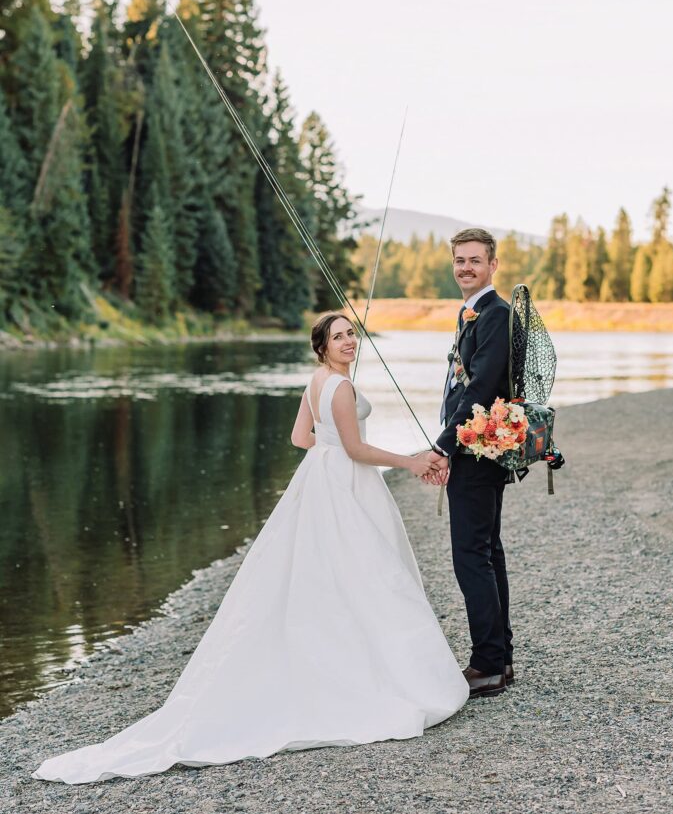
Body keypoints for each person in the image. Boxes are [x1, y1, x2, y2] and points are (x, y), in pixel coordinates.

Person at [33, 313, 468, 784]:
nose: (348, 343)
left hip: (322, 482)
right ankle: (377, 674)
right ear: (321, 346)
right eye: (338, 337)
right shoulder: (339, 387)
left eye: (351, 335)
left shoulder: (316, 382)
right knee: (367, 573)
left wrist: (328, 454)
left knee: (340, 571)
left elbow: (300, 438)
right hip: (347, 486)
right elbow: (357, 451)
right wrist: (409, 461)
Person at [418, 228, 513, 699]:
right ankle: (501, 659)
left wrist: (441, 446)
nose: (465, 268)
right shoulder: (473, 312)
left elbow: (479, 390)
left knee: (470, 556)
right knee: (487, 552)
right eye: (459, 260)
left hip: (478, 450)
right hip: (476, 448)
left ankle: (487, 664)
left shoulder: (496, 314)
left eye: (475, 260)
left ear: (493, 265)